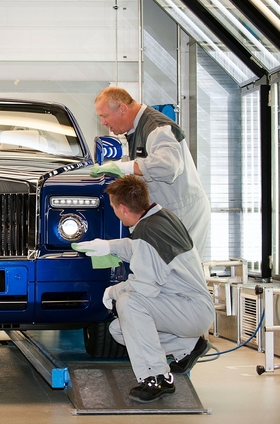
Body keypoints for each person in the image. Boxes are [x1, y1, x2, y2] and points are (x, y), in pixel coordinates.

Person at [74, 175, 214, 403]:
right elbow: (143, 250)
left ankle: (157, 377)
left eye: (113, 207)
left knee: (130, 302)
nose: (113, 211)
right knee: (119, 331)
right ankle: (188, 345)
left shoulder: (147, 231)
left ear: (122, 209)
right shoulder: (161, 217)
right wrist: (108, 246)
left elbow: (143, 288)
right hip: (187, 306)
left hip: (190, 309)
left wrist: (112, 293)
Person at [92, 86, 210, 258]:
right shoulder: (137, 129)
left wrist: (123, 167)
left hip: (182, 212)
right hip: (170, 211)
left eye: (104, 116)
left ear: (122, 109)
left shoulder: (157, 127)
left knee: (177, 276)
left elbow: (169, 166)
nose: (103, 122)